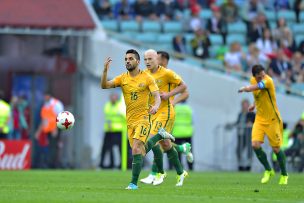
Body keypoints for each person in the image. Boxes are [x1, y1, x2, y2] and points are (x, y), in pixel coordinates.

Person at [101, 49, 175, 190]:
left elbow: (157, 96)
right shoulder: (122, 78)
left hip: (144, 119)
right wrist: (105, 71)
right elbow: (104, 86)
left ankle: (133, 184)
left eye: (130, 58)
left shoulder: (147, 78)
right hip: (130, 122)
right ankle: (160, 135)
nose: (127, 61)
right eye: (126, 59)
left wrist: (156, 106)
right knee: (139, 152)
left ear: (138, 61)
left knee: (136, 149)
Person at [140, 49, 188, 186]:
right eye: (146, 59)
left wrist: (170, 97)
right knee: (165, 144)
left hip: (166, 113)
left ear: (159, 60)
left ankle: (157, 173)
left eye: (151, 59)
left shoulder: (168, 74)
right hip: (153, 113)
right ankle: (180, 171)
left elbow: (185, 88)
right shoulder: (145, 74)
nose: (148, 62)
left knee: (152, 138)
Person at [238, 64, 288, 185]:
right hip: (260, 119)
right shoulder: (253, 80)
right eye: (259, 76)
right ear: (254, 76)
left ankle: (284, 174)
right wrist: (254, 104)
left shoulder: (268, 81)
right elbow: (259, 94)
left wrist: (246, 88)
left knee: (276, 149)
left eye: (263, 74)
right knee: (255, 144)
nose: (262, 77)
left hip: (272, 120)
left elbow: (257, 87)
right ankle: (268, 170)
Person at [35, 93, 64, 168]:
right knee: (50, 146)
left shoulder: (57, 104)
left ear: (49, 96)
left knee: (54, 146)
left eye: (45, 96)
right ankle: (51, 163)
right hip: (48, 129)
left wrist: (55, 129)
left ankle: (53, 164)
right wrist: (38, 131)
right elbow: (44, 119)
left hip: (55, 128)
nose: (44, 97)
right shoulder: (45, 105)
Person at [225, 99, 255, 171]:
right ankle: (240, 165)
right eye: (243, 105)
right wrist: (231, 125)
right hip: (240, 134)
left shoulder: (252, 114)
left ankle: (248, 165)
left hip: (248, 134)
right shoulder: (240, 114)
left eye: (246, 104)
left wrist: (251, 124)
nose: (244, 106)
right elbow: (238, 122)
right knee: (238, 150)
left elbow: (255, 122)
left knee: (249, 150)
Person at [99, 92, 126, 169]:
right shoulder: (107, 105)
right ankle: (107, 164)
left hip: (118, 130)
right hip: (108, 130)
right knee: (106, 148)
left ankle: (122, 165)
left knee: (120, 149)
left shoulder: (120, 106)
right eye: (112, 97)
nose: (113, 98)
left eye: (114, 97)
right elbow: (108, 116)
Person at [171, 100, 194, 171]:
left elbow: (171, 119)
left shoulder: (175, 108)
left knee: (177, 151)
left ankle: (179, 167)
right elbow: (193, 120)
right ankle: (190, 167)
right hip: (188, 132)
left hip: (177, 132)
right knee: (189, 150)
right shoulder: (189, 109)